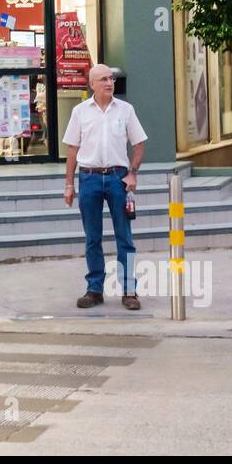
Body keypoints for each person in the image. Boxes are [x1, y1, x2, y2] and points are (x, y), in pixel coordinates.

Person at [62, 64, 148, 310]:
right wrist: (69, 184)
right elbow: (72, 149)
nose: (109, 83)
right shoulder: (80, 112)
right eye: (103, 79)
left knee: (125, 237)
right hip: (88, 178)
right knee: (92, 237)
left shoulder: (125, 110)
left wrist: (132, 173)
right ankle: (94, 289)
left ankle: (129, 290)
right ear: (92, 84)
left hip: (117, 178)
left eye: (111, 78)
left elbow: (139, 144)